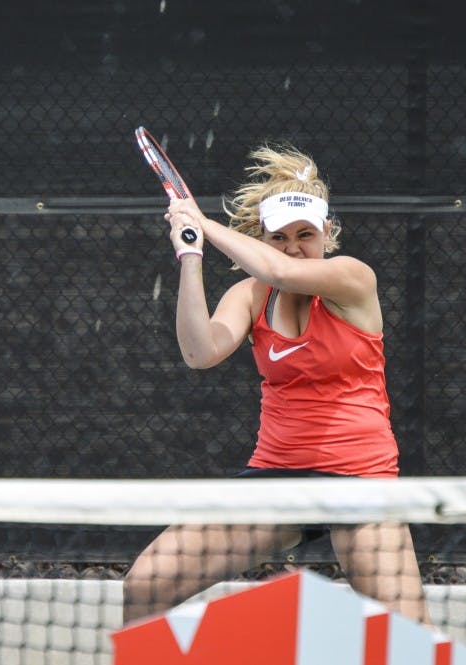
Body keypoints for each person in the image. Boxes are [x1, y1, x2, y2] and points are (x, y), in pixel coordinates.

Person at [122, 143, 431, 626]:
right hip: (277, 475)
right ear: (261, 238)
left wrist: (205, 223)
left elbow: (283, 270)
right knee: (146, 585)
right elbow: (199, 353)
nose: (292, 246)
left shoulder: (353, 278)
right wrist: (190, 255)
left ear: (327, 232)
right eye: (279, 236)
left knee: (412, 638)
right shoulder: (249, 294)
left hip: (360, 479)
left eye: (305, 234)